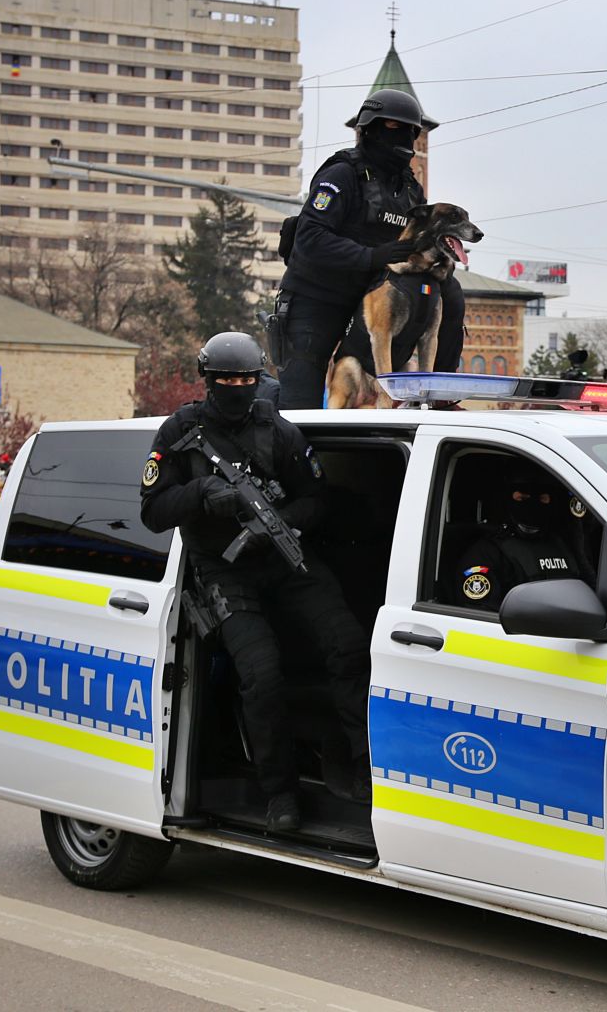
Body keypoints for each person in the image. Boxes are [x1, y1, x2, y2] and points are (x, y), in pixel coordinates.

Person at [141, 331, 370, 830]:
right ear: (209, 381)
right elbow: (152, 512)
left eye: (247, 379)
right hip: (224, 569)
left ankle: (362, 766)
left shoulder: (277, 431)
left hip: (283, 559)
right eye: (227, 380)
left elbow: (318, 498)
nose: (238, 388)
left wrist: (282, 522)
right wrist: (202, 493)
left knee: (349, 646)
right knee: (262, 676)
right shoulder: (180, 431)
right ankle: (280, 795)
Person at [275, 89, 463, 409]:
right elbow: (309, 237)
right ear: (369, 129)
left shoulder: (409, 189)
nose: (404, 137)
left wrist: (439, 265)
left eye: (411, 131)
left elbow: (421, 240)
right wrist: (371, 256)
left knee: (451, 292)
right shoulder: (342, 175)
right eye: (392, 127)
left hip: (370, 298)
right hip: (317, 297)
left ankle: (440, 392)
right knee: (301, 405)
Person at [451, 466, 589, 609]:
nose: (532, 506)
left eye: (542, 499)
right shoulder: (487, 553)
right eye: (522, 498)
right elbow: (481, 617)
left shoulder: (563, 544)